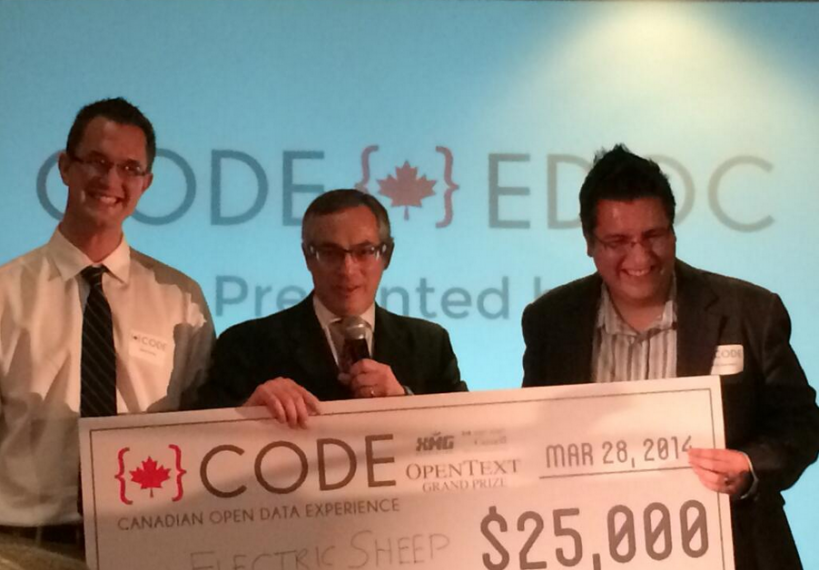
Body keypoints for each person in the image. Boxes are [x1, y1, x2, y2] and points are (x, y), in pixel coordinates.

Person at [521, 144, 819, 570]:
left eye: (653, 236)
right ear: (589, 242)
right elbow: (536, 436)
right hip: (595, 553)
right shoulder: (551, 321)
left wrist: (750, 466)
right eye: (618, 242)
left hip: (738, 551)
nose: (640, 258)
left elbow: (801, 425)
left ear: (673, 231)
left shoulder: (750, 311)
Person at [0, 98, 214, 556]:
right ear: (64, 167)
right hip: (23, 549)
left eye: (130, 168)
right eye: (96, 162)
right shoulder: (5, 293)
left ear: (147, 183)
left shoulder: (180, 299)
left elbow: (205, 423)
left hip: (150, 548)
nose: (111, 181)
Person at [190, 189, 466, 425]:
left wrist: (404, 402)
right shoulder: (247, 345)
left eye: (364, 251)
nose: (347, 269)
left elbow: (470, 436)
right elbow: (198, 441)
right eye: (330, 253)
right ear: (308, 257)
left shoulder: (430, 344)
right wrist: (248, 413)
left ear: (387, 255)